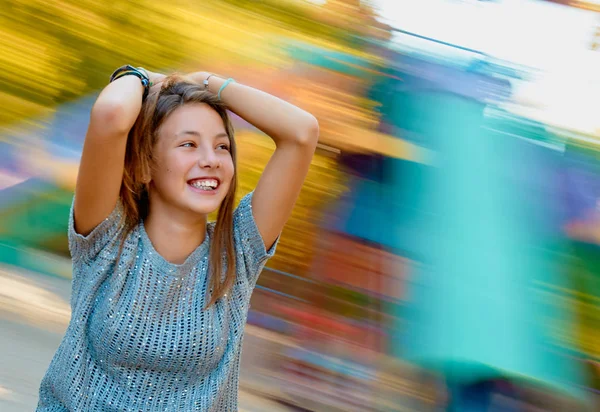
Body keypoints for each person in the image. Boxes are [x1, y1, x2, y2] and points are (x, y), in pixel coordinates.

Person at [36, 65, 319, 411]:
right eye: (189, 144)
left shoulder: (237, 252)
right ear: (144, 167)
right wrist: (140, 76)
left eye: (222, 147)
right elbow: (111, 114)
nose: (211, 160)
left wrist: (204, 80)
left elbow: (302, 133)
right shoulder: (106, 239)